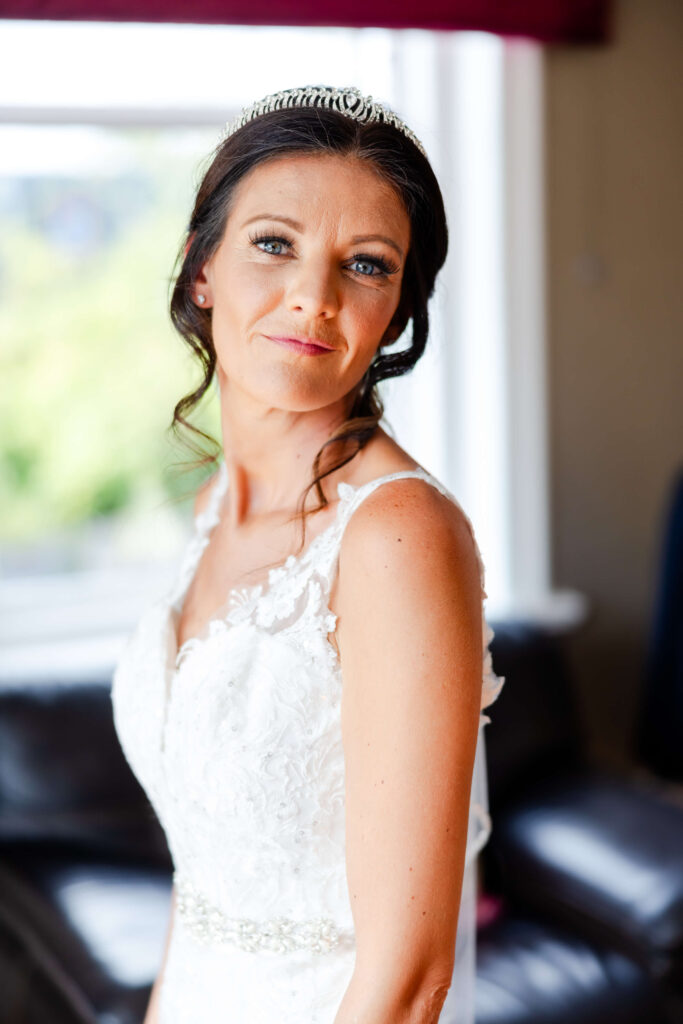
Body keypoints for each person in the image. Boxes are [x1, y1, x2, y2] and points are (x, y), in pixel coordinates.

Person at [111, 84, 505, 1024]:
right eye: (273, 243)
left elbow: (408, 979)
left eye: (365, 265)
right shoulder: (215, 505)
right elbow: (200, 887)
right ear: (200, 269)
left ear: (395, 312)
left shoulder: (397, 538)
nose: (313, 299)